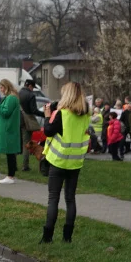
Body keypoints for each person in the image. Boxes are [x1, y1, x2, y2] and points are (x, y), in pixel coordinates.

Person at [42, 82, 90, 243]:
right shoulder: (85, 114)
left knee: (53, 198)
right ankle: (67, 237)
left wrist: (48, 115)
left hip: (59, 160)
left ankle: (47, 236)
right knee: (70, 198)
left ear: (67, 96)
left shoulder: (62, 114)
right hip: (75, 162)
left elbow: (48, 131)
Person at [0, 79, 22, 184]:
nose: (1, 90)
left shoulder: (11, 98)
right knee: (10, 153)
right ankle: (10, 175)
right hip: (8, 129)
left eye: (2, 87)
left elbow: (5, 112)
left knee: (10, 153)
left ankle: (10, 176)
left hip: (8, 129)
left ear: (6, 86)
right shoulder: (11, 98)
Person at [18, 79, 40, 171]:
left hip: (17, 120)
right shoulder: (31, 95)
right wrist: (45, 114)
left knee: (17, 144)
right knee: (26, 144)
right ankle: (25, 166)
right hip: (26, 122)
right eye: (32, 87)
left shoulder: (19, 93)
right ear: (30, 86)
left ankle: (14, 165)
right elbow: (34, 110)